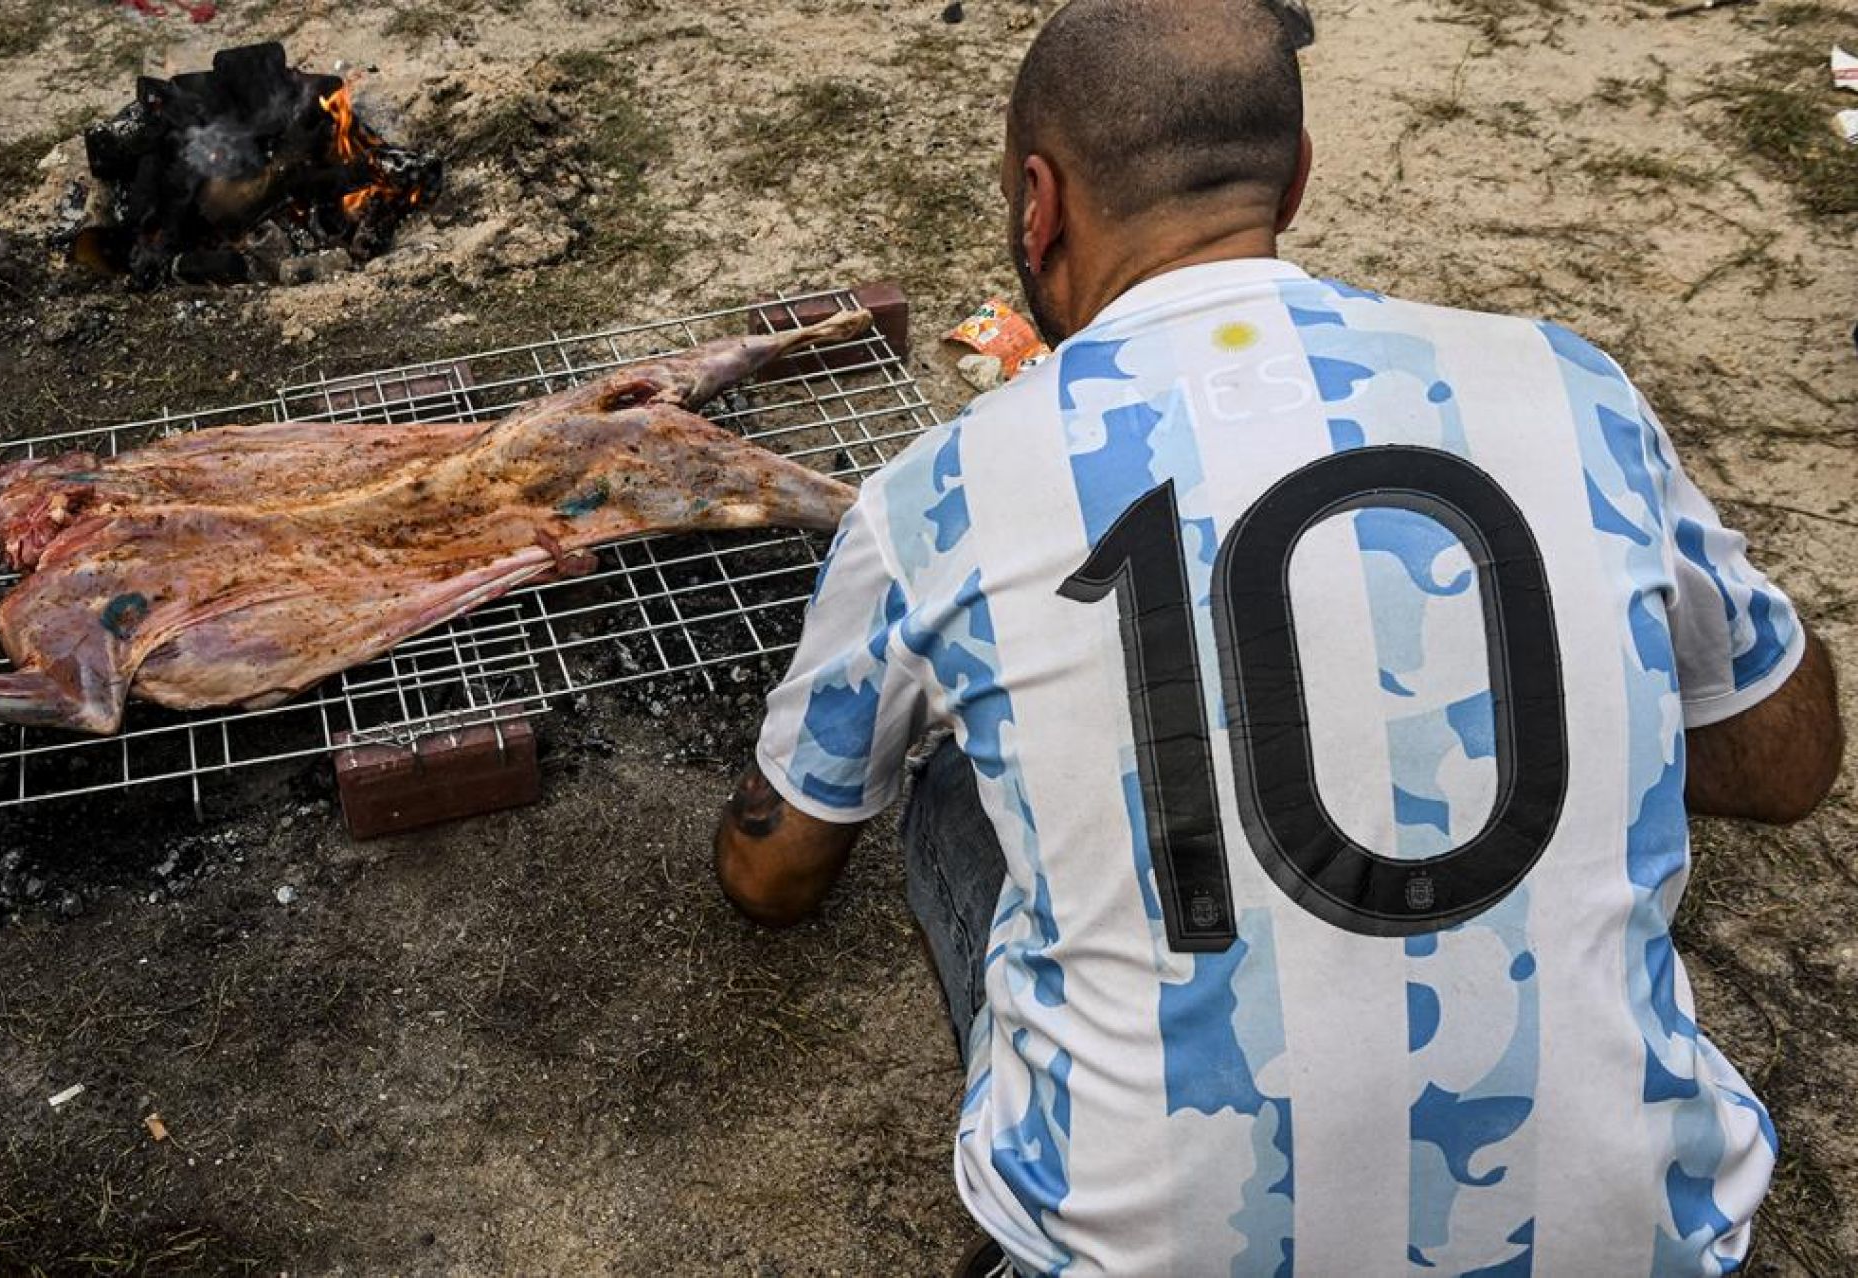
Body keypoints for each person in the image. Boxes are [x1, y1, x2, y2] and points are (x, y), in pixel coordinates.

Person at [710, 0, 1846, 1273]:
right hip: (1643, 1240)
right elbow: (1786, 766)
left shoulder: (943, 489)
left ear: (1038, 203)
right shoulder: (1565, 383)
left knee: (947, 788)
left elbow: (774, 877)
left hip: (1138, 1256)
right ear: (1293, 181)